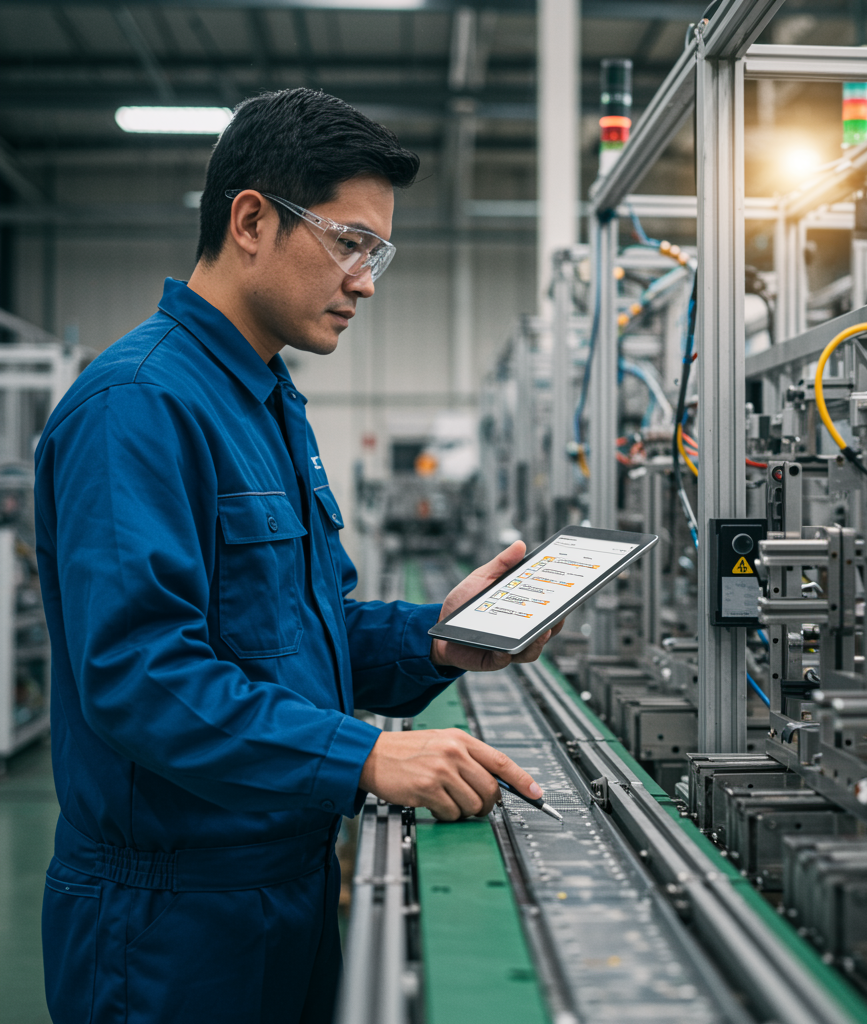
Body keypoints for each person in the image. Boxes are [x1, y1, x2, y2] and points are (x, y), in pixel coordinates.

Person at [35, 88, 560, 1024]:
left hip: (286, 887)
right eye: (351, 243)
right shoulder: (139, 406)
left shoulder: (268, 402)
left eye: (379, 253)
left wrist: (437, 640)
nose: (366, 280)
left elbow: (293, 630)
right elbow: (140, 678)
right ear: (251, 221)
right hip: (170, 925)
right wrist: (361, 755)